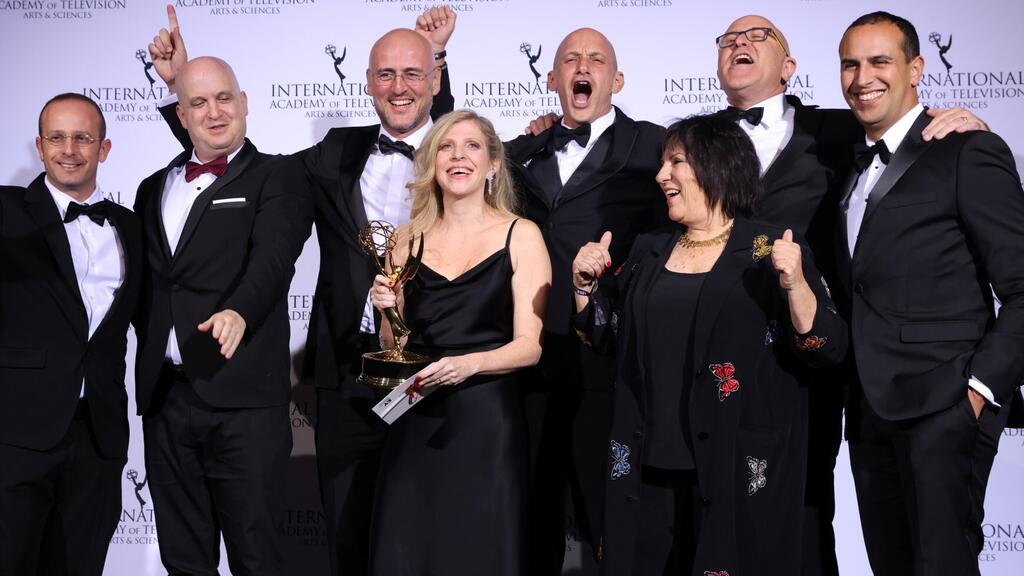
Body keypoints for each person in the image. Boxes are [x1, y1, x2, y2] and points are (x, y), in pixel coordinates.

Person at [147, 7, 456, 574]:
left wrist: (435, 57)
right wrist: (183, 85)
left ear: (435, 78)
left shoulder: (463, 158)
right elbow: (238, 165)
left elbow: (457, 140)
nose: (398, 88)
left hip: (438, 370)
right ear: (366, 83)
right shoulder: (334, 153)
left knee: (436, 528)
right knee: (347, 528)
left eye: (414, 74)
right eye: (385, 75)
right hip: (347, 376)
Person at [711, 14, 992, 575]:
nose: (740, 44)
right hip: (723, 351)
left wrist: (965, 122)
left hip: (820, 359)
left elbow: (906, 135)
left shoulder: (839, 131)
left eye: (757, 37)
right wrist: (544, 128)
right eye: (728, 39)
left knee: (813, 505)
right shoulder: (688, 141)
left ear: (790, 69)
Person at [572, 114, 847, 575]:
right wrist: (584, 289)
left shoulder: (770, 247)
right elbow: (605, 336)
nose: (662, 176)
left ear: (718, 165)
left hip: (738, 467)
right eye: (662, 163)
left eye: (676, 162)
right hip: (645, 464)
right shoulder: (648, 250)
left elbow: (826, 346)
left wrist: (796, 283)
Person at [836, 12, 1024, 576]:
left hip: (945, 402)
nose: (862, 77)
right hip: (869, 410)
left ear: (916, 69)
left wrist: (979, 390)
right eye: (850, 64)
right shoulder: (845, 160)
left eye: (879, 62)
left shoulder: (967, 149)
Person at [132, 55, 312, 575]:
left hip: (244, 399)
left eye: (225, 98)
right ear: (180, 115)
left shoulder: (279, 175)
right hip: (165, 398)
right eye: (198, 103)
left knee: (258, 557)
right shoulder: (151, 188)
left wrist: (240, 310)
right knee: (184, 559)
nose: (215, 112)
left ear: (245, 103)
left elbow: (274, 258)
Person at [504, 27, 670, 572]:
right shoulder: (520, 152)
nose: (583, 65)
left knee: (611, 516)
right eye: (570, 59)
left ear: (615, 80)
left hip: (610, 359)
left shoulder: (654, 145)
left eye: (596, 58)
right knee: (530, 518)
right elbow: (452, 151)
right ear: (552, 80)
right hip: (528, 360)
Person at [368, 109, 551, 575]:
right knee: (410, 547)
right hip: (414, 413)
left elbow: (529, 345)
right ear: (431, 163)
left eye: (472, 146)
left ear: (492, 164)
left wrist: (467, 364)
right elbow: (394, 342)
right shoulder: (404, 240)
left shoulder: (521, 234)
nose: (458, 156)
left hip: (486, 419)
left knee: (481, 548)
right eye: (446, 147)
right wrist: (384, 306)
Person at [0, 93, 142, 576]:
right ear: (39, 147)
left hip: (98, 436)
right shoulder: (6, 212)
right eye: (56, 137)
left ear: (104, 148)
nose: (70, 149)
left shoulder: (131, 226)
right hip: (16, 434)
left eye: (83, 137)